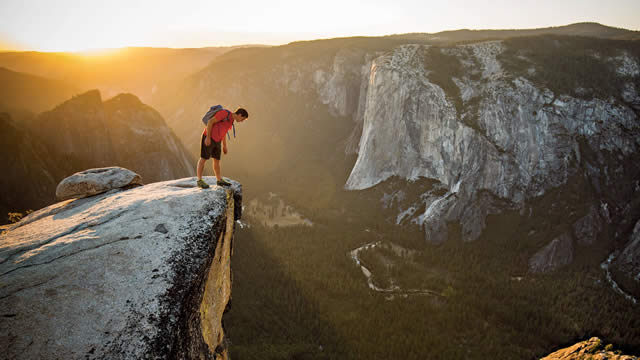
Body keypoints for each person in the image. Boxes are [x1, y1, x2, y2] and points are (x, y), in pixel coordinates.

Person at [196, 107, 249, 188]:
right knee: (203, 158)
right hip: (209, 137)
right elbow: (210, 122)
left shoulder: (231, 120)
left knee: (216, 160)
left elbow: (224, 131)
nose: (241, 121)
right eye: (243, 119)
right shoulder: (224, 113)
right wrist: (208, 137)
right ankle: (199, 181)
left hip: (217, 140)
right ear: (240, 115)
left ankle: (219, 180)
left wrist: (224, 145)